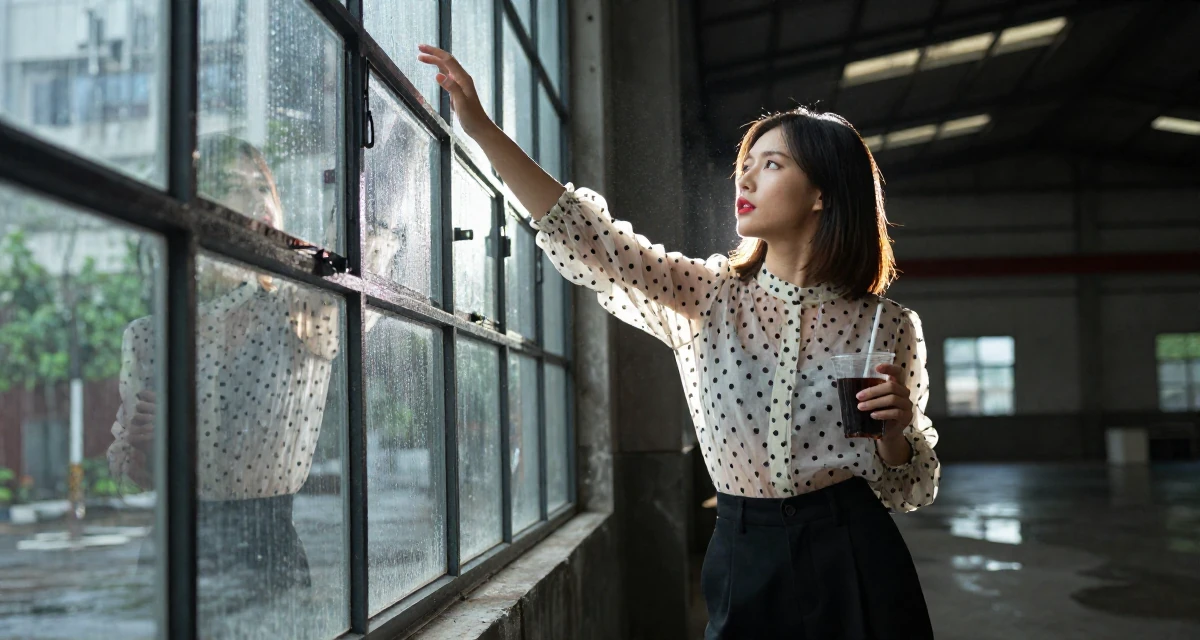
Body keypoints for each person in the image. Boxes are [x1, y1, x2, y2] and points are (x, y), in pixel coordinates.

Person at [419, 44, 940, 639]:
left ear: (822, 193)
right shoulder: (709, 295)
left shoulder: (886, 326)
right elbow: (591, 239)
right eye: (747, 162)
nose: (744, 175)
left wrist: (896, 434)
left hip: (855, 553)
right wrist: (483, 131)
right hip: (745, 550)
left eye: (772, 164)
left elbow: (906, 486)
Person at [107, 135, 342, 608]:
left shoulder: (299, 312)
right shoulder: (149, 335)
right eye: (234, 186)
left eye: (263, 187)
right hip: (170, 557)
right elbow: (133, 471)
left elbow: (373, 225)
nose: (257, 200)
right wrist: (144, 449)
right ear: (197, 204)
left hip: (267, 559)